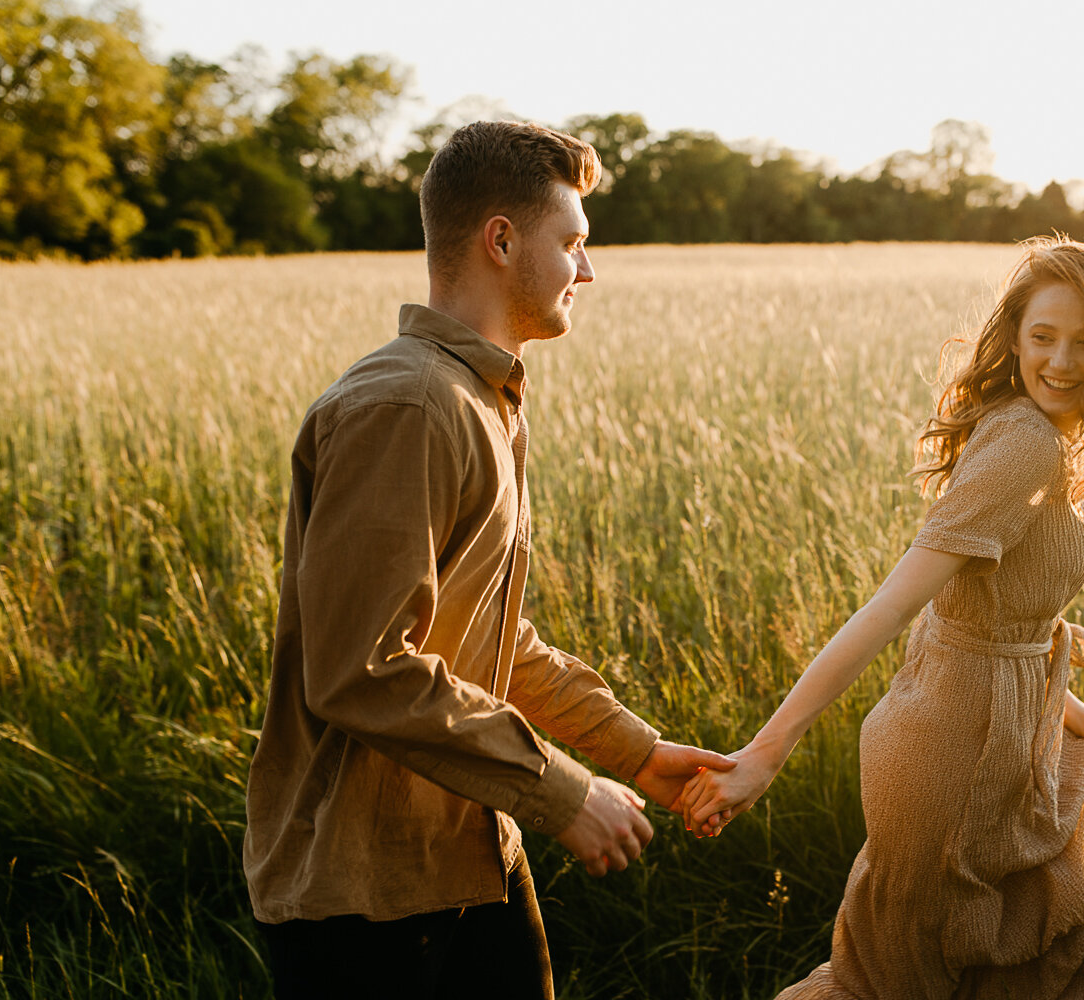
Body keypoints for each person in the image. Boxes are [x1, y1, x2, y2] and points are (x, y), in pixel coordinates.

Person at [242, 120, 734, 1000]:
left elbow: (490, 641)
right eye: (574, 244)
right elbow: (363, 671)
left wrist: (636, 753)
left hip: (469, 855)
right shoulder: (408, 406)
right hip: (368, 902)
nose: (589, 272)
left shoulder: (478, 397)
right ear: (501, 241)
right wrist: (562, 792)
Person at [677, 236, 1084, 999]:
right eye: (1043, 337)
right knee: (925, 979)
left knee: (1044, 960)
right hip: (949, 760)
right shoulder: (1026, 445)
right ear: (1014, 337)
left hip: (1000, 738)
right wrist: (766, 753)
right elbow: (896, 605)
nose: (1063, 361)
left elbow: (984, 611)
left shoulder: (1054, 438)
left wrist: (1058, 698)